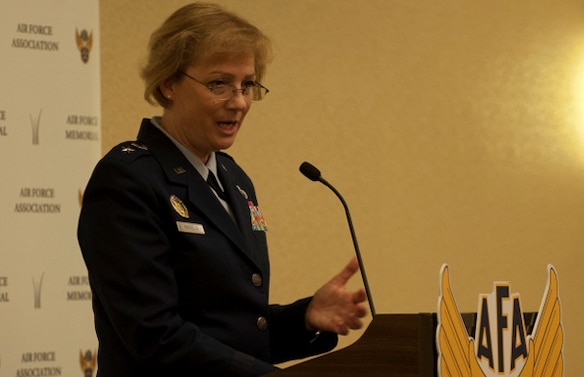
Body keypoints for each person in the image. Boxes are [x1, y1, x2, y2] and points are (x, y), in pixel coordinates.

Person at [77, 3, 368, 376]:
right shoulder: (127, 179)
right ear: (168, 83)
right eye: (219, 84)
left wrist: (305, 318)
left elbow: (233, 331)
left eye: (247, 84)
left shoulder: (234, 178)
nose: (240, 101)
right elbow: (155, 335)